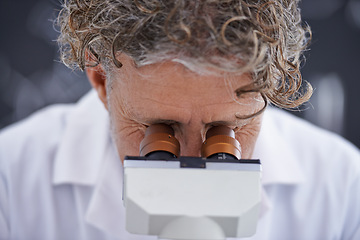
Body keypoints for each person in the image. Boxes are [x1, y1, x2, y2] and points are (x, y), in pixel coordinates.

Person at [0, 0, 359, 239]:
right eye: (162, 130)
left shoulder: (341, 190)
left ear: (266, 94)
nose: (192, 161)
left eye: (227, 131)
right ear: (102, 82)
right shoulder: (12, 180)